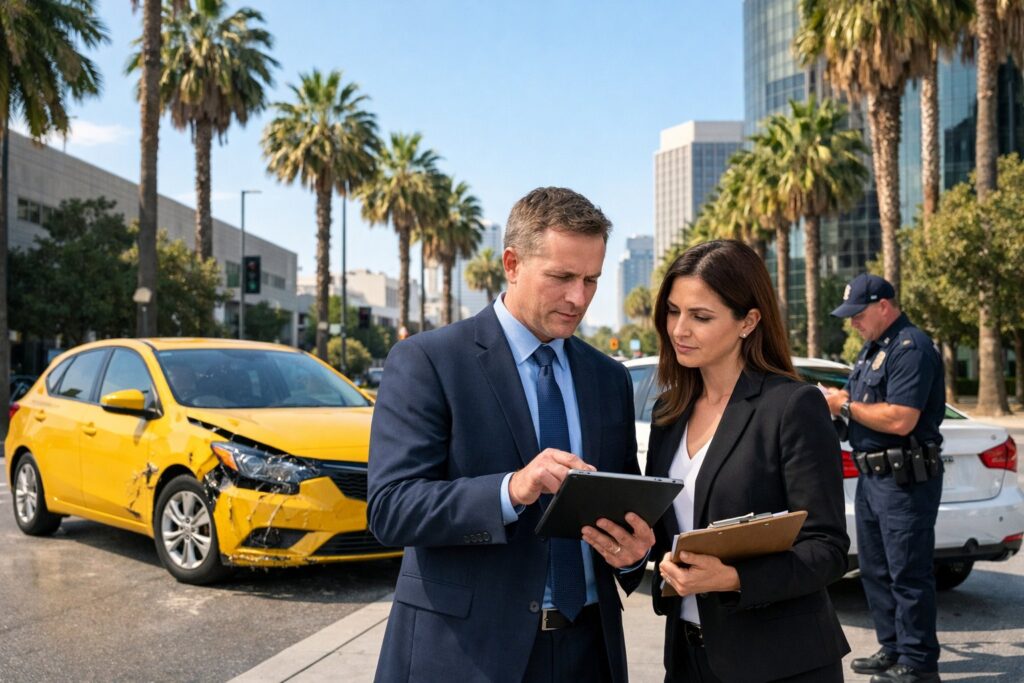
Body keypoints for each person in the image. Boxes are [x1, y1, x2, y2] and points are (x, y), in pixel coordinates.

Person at [368, 187, 654, 683]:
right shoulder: (429, 361)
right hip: (465, 656)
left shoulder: (608, 378)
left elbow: (620, 503)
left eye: (591, 280)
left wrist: (634, 555)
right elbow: (392, 509)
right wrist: (512, 489)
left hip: (589, 652)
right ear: (512, 263)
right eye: (562, 277)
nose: (578, 298)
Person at [646, 240, 850, 683]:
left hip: (781, 663)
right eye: (673, 311)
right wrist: (643, 554)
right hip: (687, 657)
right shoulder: (668, 414)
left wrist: (733, 577)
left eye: (700, 317)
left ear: (749, 321)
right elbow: (669, 536)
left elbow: (828, 549)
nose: (680, 329)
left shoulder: (792, 406)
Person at [825, 273, 945, 683]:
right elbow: (861, 413)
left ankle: (918, 663)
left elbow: (901, 417)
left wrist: (843, 407)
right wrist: (836, 409)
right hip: (873, 477)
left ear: (884, 305)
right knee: (876, 571)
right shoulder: (872, 350)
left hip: (905, 481)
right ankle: (893, 647)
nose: (853, 323)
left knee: (908, 573)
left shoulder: (911, 348)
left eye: (858, 314)